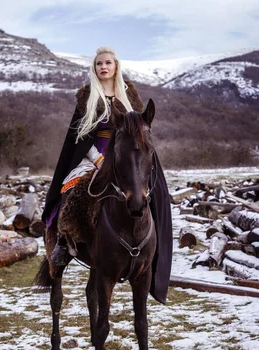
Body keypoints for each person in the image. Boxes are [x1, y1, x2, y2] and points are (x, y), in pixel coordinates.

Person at [41, 46, 173, 304]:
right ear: (95, 68)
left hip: (125, 161)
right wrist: (98, 159)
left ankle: (154, 250)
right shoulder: (87, 98)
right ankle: (64, 243)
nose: (103, 67)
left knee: (154, 194)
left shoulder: (130, 98)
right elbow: (78, 139)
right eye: (99, 63)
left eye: (108, 63)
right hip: (94, 157)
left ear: (116, 66)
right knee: (74, 190)